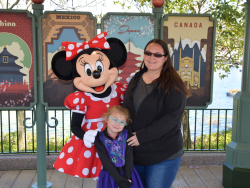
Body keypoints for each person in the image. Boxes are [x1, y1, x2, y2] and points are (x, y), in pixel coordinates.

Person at [52, 32, 128, 178]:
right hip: (95, 142)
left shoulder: (119, 90)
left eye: (100, 68)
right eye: (88, 71)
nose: (96, 75)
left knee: (119, 175)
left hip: (118, 140)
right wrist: (86, 135)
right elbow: (75, 125)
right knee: (102, 177)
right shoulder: (82, 98)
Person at [123, 39, 191, 188]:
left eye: (157, 55)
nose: (151, 57)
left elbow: (172, 118)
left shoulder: (174, 85)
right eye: (148, 53)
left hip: (163, 155)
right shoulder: (136, 78)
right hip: (135, 153)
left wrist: (143, 135)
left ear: (166, 58)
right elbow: (127, 110)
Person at [95, 105, 145, 188]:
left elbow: (129, 158)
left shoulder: (127, 134)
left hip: (128, 174)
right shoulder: (99, 138)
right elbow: (106, 162)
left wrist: (127, 179)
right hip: (110, 175)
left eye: (122, 122)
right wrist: (122, 183)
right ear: (107, 118)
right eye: (115, 119)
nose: (118, 124)